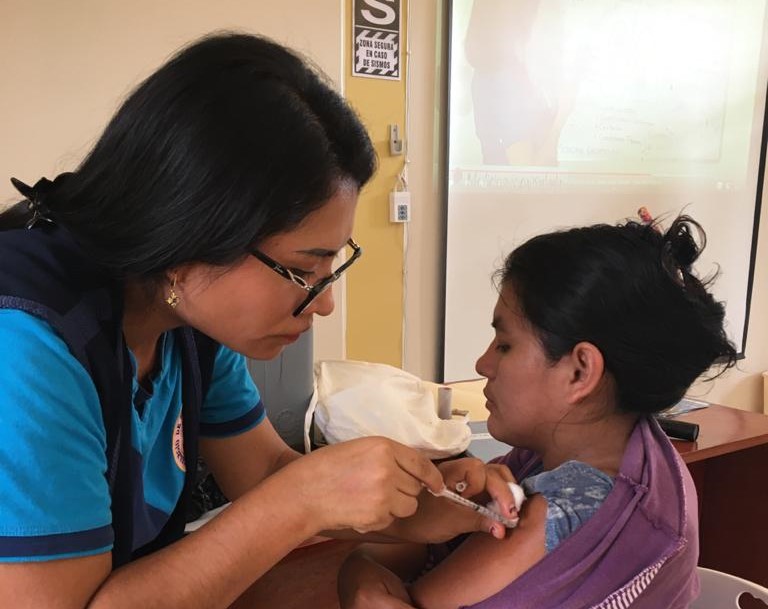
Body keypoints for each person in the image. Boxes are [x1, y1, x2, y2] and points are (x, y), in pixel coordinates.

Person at [0, 33, 518, 608]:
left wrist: (421, 507)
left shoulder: (183, 318)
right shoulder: (26, 348)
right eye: (304, 268)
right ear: (190, 234)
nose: (324, 304)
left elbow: (265, 468)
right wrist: (300, 502)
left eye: (332, 263)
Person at [338, 216, 737, 608]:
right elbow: (398, 551)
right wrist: (372, 561)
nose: (482, 363)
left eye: (505, 344)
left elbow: (386, 574)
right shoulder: (616, 455)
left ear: (580, 371)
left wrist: (360, 568)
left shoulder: (562, 506)